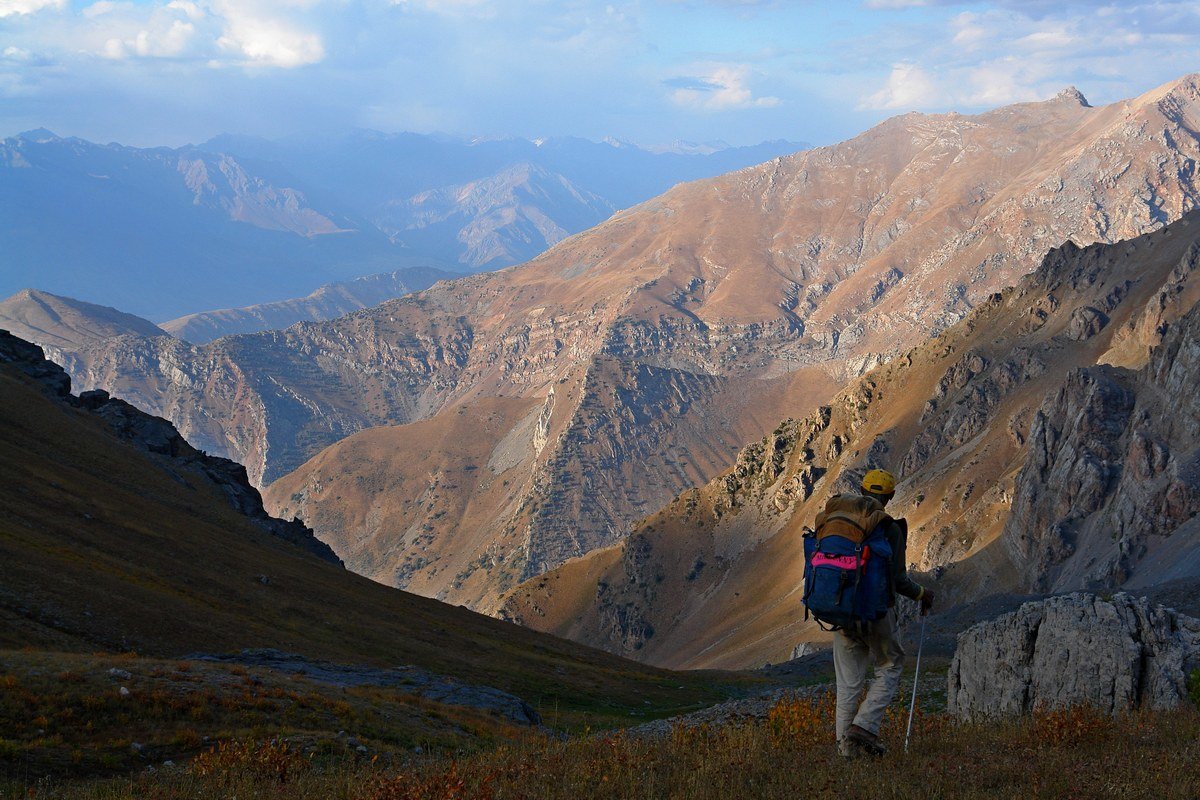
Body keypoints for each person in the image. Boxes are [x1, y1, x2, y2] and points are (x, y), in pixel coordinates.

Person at [827, 469, 933, 758]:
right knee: (890, 665)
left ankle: (845, 752)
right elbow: (898, 581)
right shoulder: (890, 528)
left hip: (841, 611)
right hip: (876, 612)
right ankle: (863, 726)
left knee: (848, 683)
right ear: (890, 496)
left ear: (861, 489)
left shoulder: (841, 523)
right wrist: (923, 594)